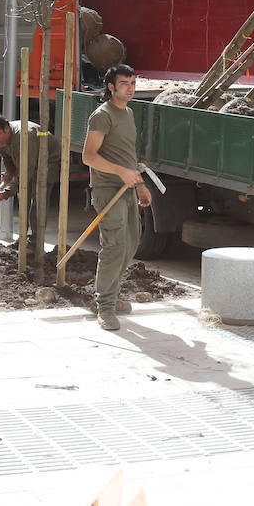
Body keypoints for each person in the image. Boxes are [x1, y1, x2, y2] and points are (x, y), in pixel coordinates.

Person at [81, 63, 152, 331]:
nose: (130, 88)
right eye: (124, 83)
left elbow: (127, 156)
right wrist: (120, 172)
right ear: (111, 87)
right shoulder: (102, 115)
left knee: (131, 242)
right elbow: (88, 156)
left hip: (127, 189)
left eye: (133, 83)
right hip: (107, 190)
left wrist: (140, 184)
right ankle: (105, 306)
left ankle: (110, 294)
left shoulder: (128, 113)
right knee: (114, 246)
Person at [0, 112, 62, 225]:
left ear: (6, 128)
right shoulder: (2, 139)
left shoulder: (23, 138)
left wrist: (5, 193)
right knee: (23, 197)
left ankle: (34, 241)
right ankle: (23, 238)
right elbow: (6, 156)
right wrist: (10, 171)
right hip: (30, 160)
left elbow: (25, 173)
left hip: (49, 160)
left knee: (37, 199)